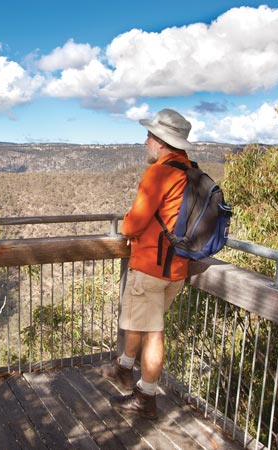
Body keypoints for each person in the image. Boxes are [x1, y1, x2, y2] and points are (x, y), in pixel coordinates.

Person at [101, 108, 194, 419]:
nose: (146, 141)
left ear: (162, 143)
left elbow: (133, 224)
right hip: (178, 269)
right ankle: (125, 369)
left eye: (150, 137)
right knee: (143, 322)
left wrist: (127, 226)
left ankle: (146, 399)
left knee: (153, 333)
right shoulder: (191, 172)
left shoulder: (159, 173)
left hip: (152, 266)